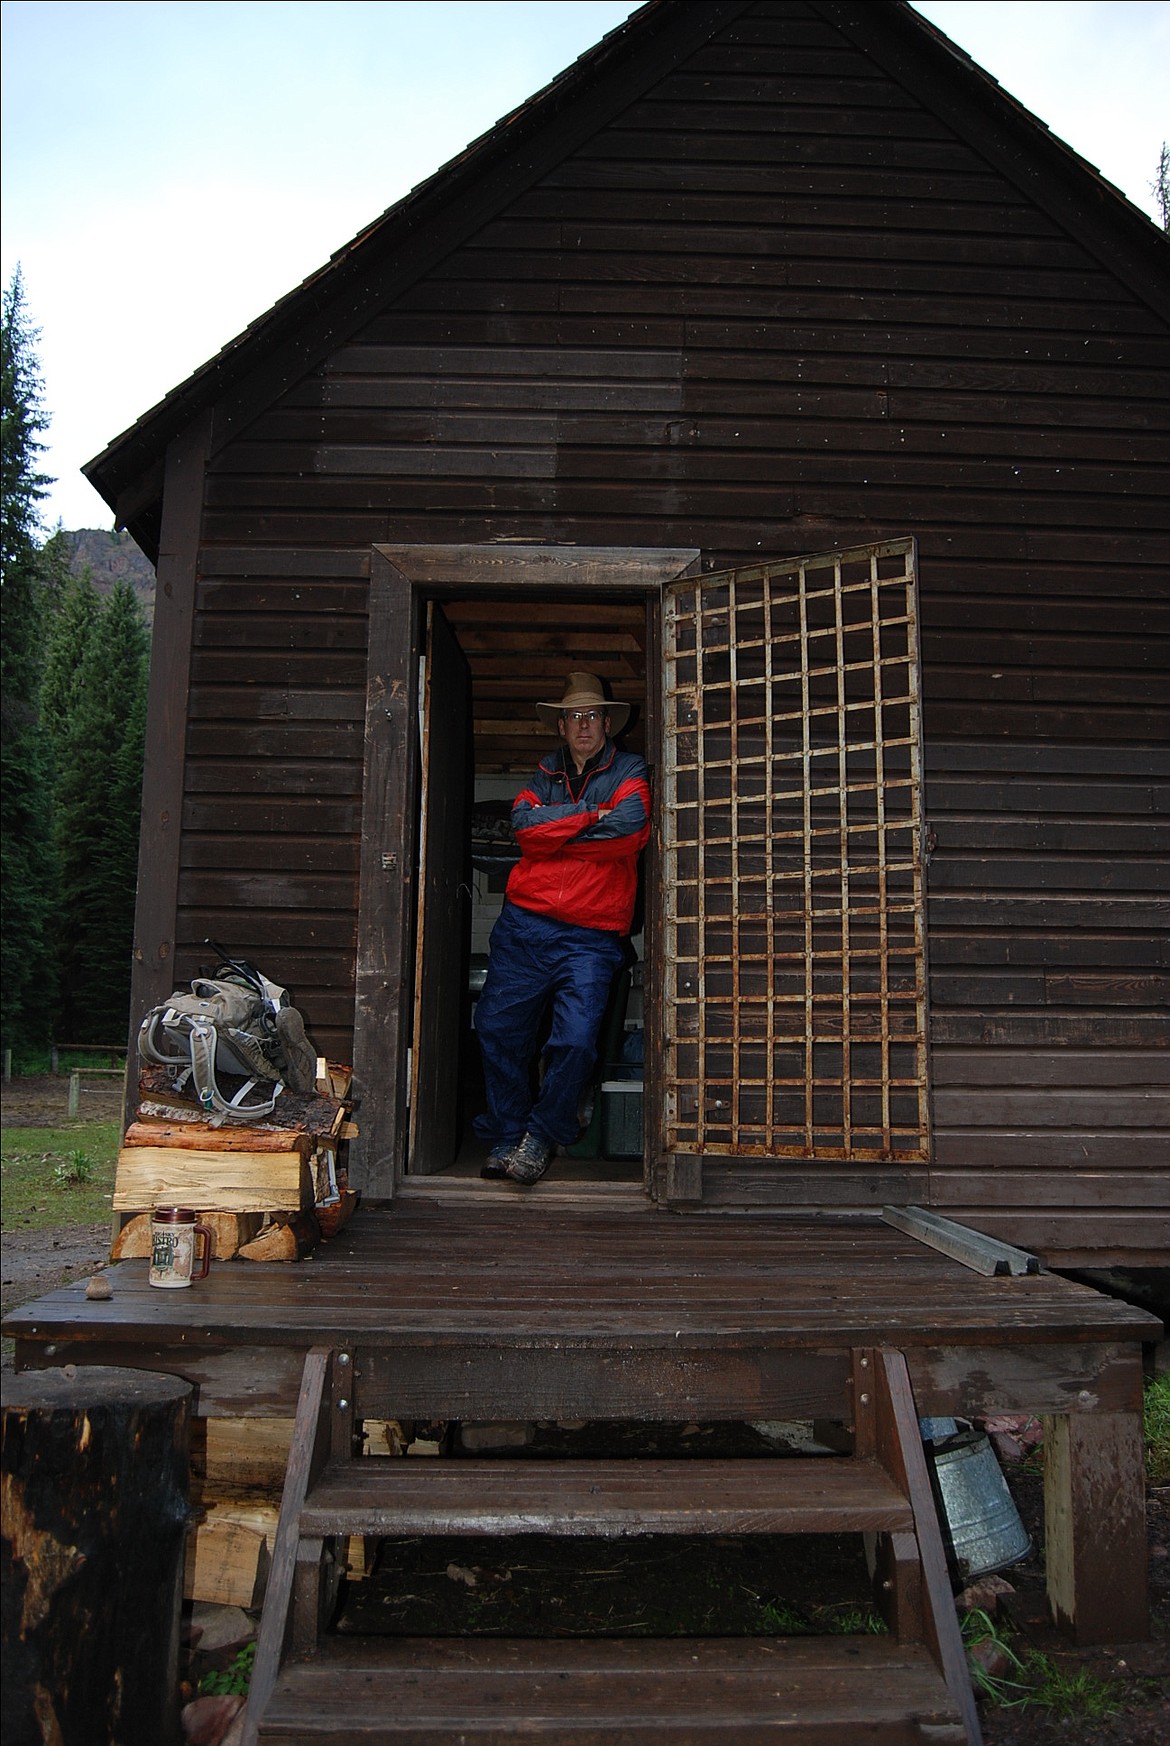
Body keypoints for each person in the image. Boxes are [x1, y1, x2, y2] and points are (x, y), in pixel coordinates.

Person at [473, 672, 650, 1184]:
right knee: (497, 1030)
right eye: (575, 716)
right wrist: (591, 814)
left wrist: (558, 829)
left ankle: (542, 1134)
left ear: (608, 722)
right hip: (525, 926)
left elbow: (630, 828)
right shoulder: (543, 773)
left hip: (591, 935)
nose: (585, 725)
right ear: (562, 724)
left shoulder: (631, 770)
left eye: (594, 716)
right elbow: (525, 831)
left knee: (575, 1042)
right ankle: (509, 1135)